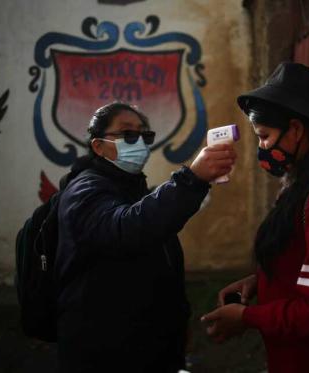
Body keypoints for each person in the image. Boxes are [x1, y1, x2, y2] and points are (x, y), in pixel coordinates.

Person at [201, 62, 309, 372]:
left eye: (264, 136)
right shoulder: (307, 180)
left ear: (295, 130)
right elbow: (306, 259)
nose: (262, 147)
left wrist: (245, 317)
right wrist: (262, 280)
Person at [55, 102, 236, 372]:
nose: (138, 141)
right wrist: (192, 179)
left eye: (144, 135)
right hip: (104, 352)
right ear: (98, 146)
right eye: (127, 134)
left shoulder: (131, 190)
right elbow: (126, 229)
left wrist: (177, 325)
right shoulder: (85, 191)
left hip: (148, 347)